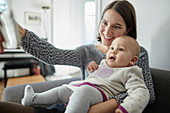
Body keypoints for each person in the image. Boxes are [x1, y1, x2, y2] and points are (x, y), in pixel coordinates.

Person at [0, 0, 155, 113]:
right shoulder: (87, 51)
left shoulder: (137, 54)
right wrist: (23, 36)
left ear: (128, 29)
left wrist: (97, 109)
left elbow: (146, 93)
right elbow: (53, 55)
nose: (107, 32)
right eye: (104, 23)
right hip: (69, 104)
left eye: (117, 26)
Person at [21, 36, 150, 113]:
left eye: (120, 50)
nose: (113, 51)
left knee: (84, 91)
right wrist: (93, 69)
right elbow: (100, 77)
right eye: (112, 48)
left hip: (101, 93)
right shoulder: (104, 63)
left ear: (132, 60)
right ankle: (33, 99)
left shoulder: (131, 72)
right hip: (83, 88)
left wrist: (126, 108)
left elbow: (141, 92)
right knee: (62, 90)